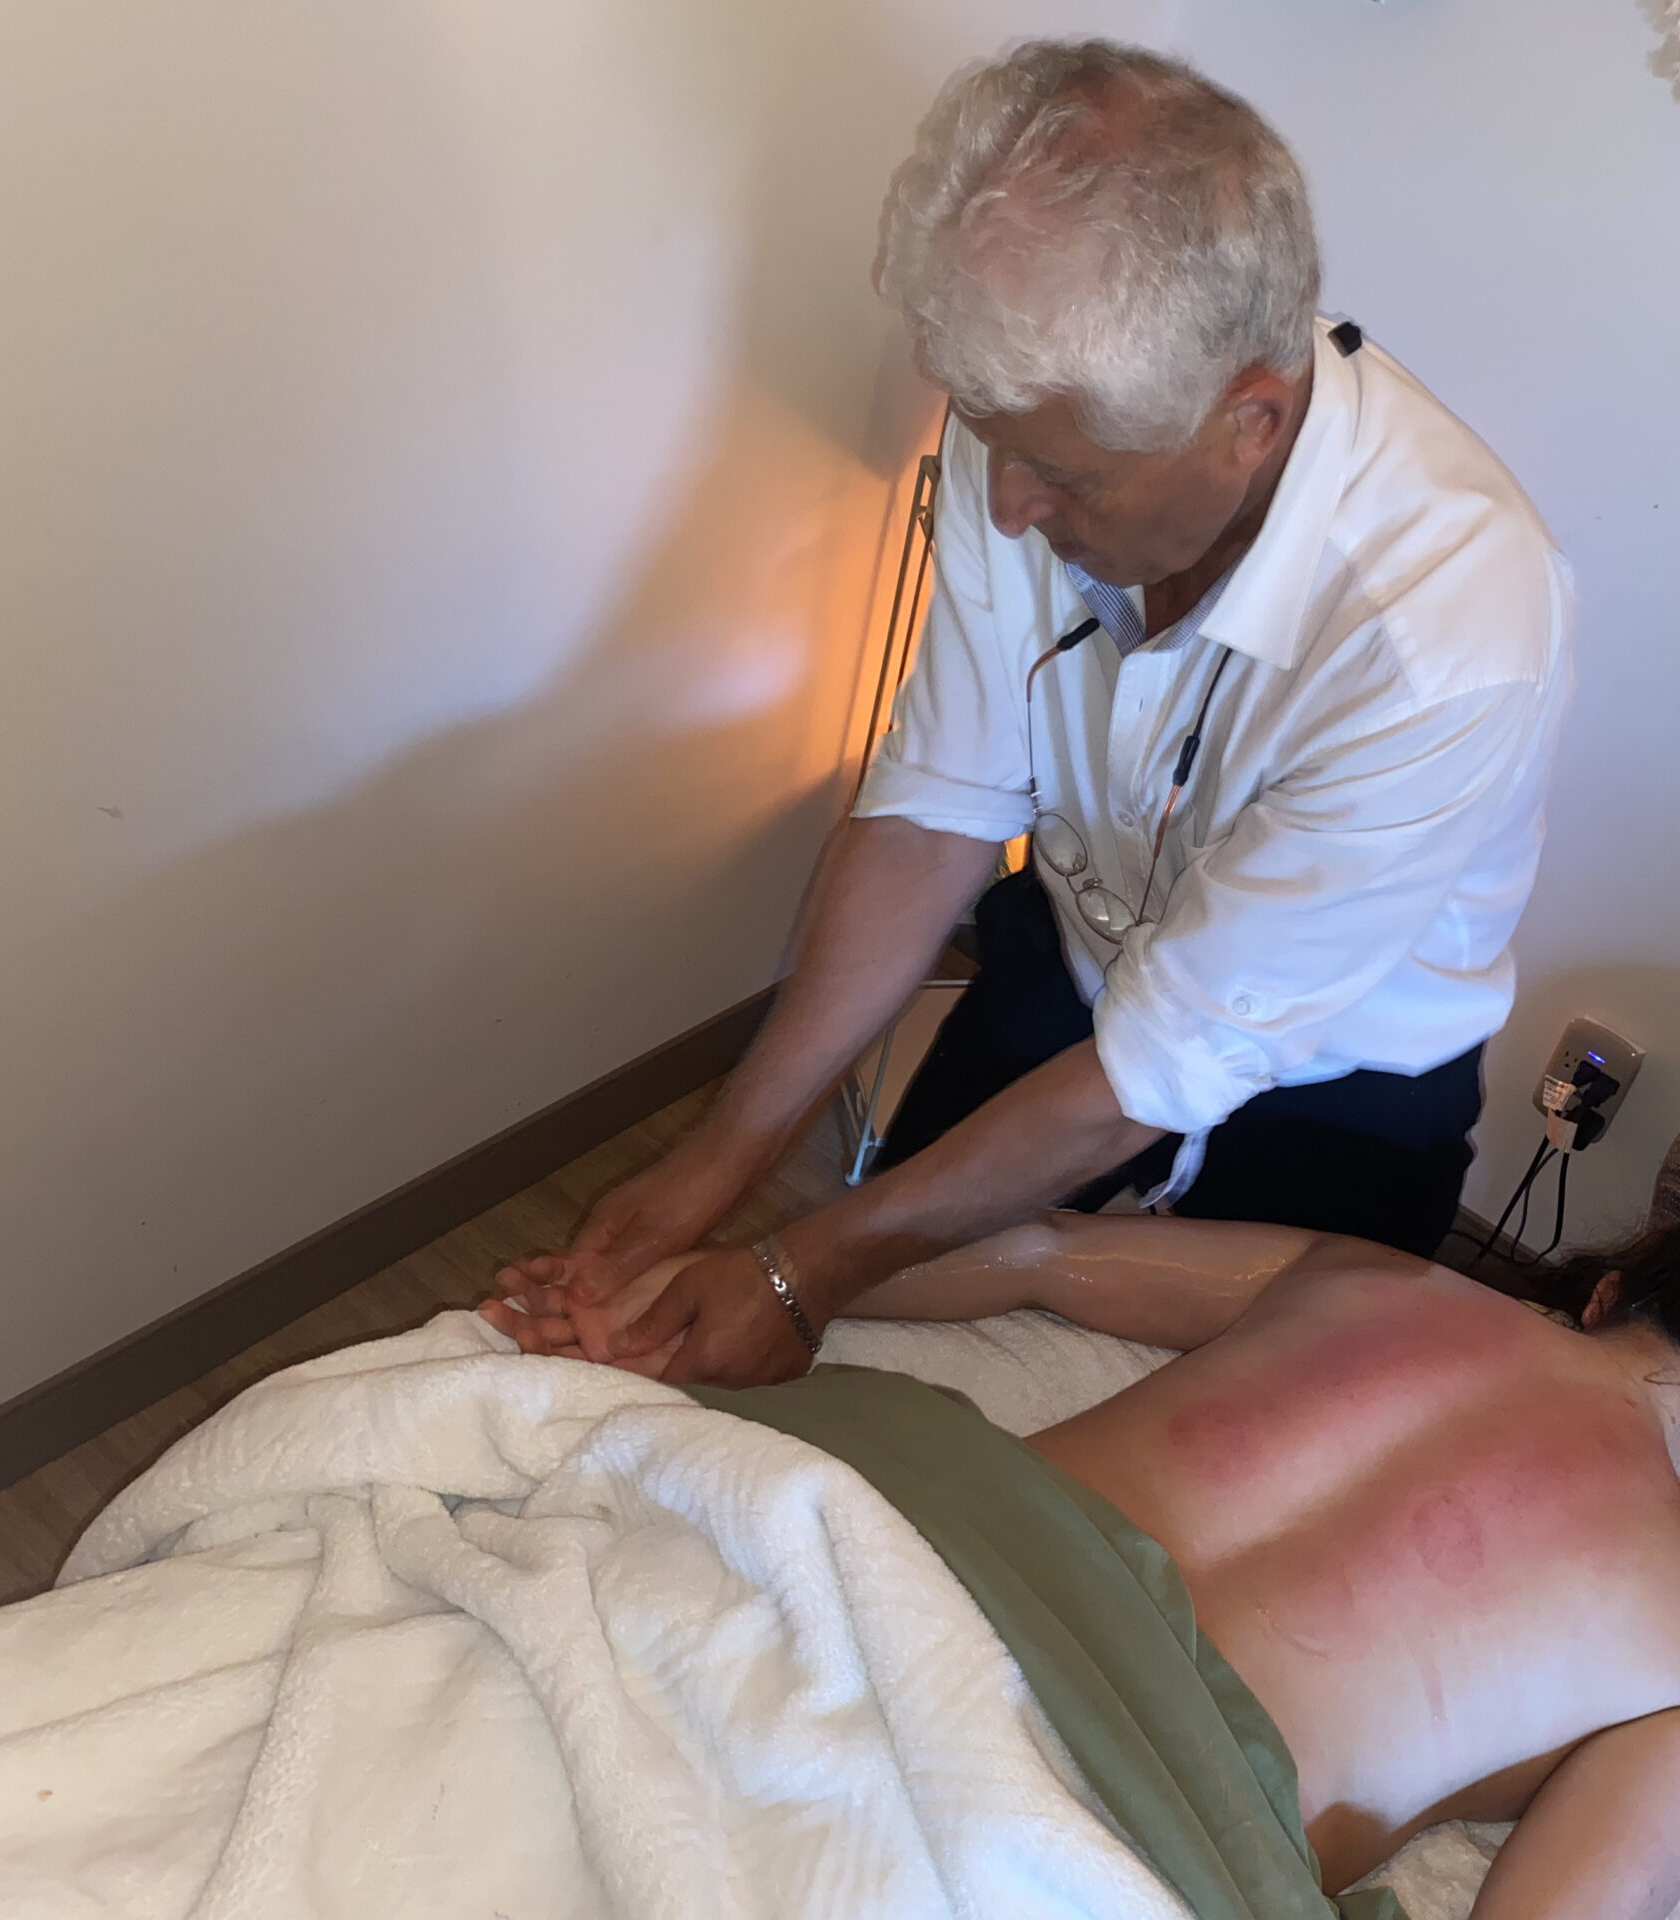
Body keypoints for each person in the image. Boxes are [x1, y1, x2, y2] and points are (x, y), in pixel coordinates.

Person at [500, 37, 1574, 1389]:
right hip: (1067, 969)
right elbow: (934, 812)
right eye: (986, 437)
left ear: (1247, 420)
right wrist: (718, 1165)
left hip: (1337, 1092)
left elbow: (1165, 1062)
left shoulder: (1445, 634)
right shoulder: (1036, 425)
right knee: (868, 1374)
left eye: (1063, 478)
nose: (1006, 506)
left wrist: (797, 1267)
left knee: (1173, 1463)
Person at [484, 1200, 1680, 1918]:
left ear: (1605, 1296)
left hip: (894, 1527)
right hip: (1140, 1814)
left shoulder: (1370, 1273)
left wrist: (711, 1296)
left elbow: (1042, 1248)